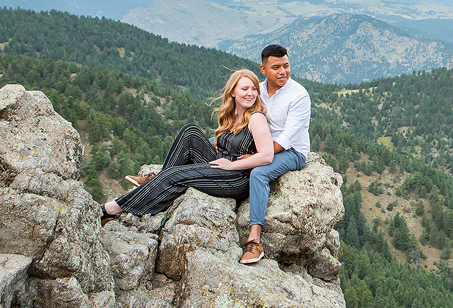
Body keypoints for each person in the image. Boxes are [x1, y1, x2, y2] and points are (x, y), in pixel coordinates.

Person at [99, 69, 276, 246]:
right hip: (219, 166)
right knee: (189, 131)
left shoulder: (256, 118)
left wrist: (231, 165)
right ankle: (159, 182)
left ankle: (111, 209)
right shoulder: (232, 116)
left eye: (254, 89)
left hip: (236, 177)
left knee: (174, 176)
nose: (250, 93)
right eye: (245, 89)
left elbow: (267, 156)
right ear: (232, 92)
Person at [238, 44, 311, 265]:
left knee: (259, 173)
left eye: (286, 66)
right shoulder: (257, 90)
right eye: (276, 67)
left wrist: (255, 156)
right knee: (215, 143)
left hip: (292, 151)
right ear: (263, 69)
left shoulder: (299, 95)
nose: (283, 72)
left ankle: (255, 241)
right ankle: (166, 175)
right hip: (260, 144)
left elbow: (287, 138)